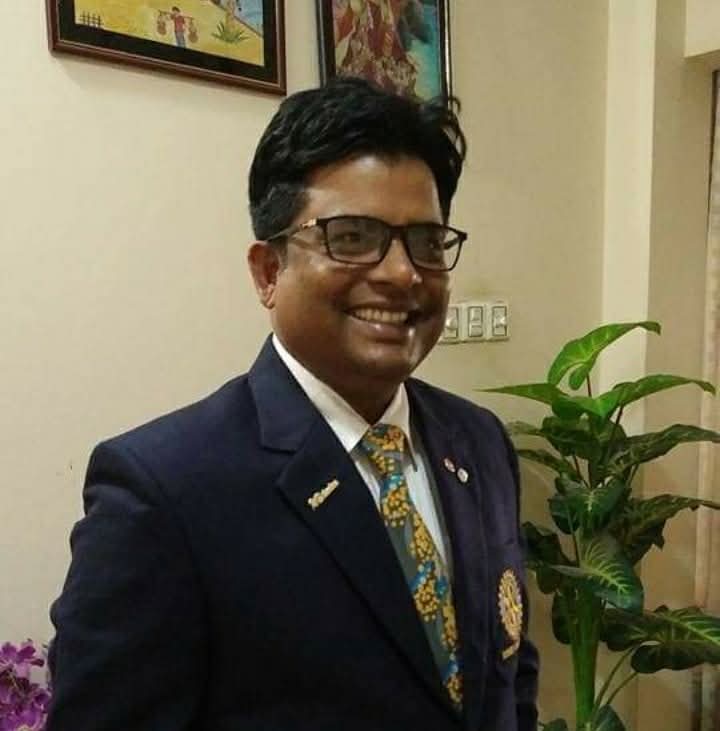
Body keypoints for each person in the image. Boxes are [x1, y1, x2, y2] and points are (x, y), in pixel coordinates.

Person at [46, 77, 539, 730]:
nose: (402, 273)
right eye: (352, 237)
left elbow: (510, 675)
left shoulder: (478, 442)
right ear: (267, 271)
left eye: (426, 241)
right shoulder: (164, 493)